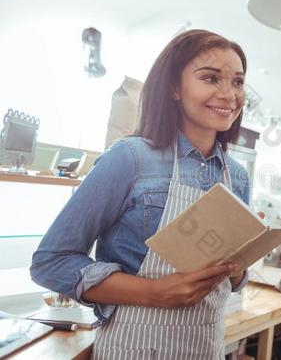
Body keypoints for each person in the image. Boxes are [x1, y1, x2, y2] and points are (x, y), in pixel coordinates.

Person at [30, 29, 252, 359]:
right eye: (210, 78)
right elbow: (50, 262)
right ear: (174, 88)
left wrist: (237, 271)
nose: (229, 94)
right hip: (133, 346)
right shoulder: (129, 158)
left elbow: (234, 282)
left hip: (205, 349)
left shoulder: (237, 177)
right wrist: (155, 292)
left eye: (237, 82)